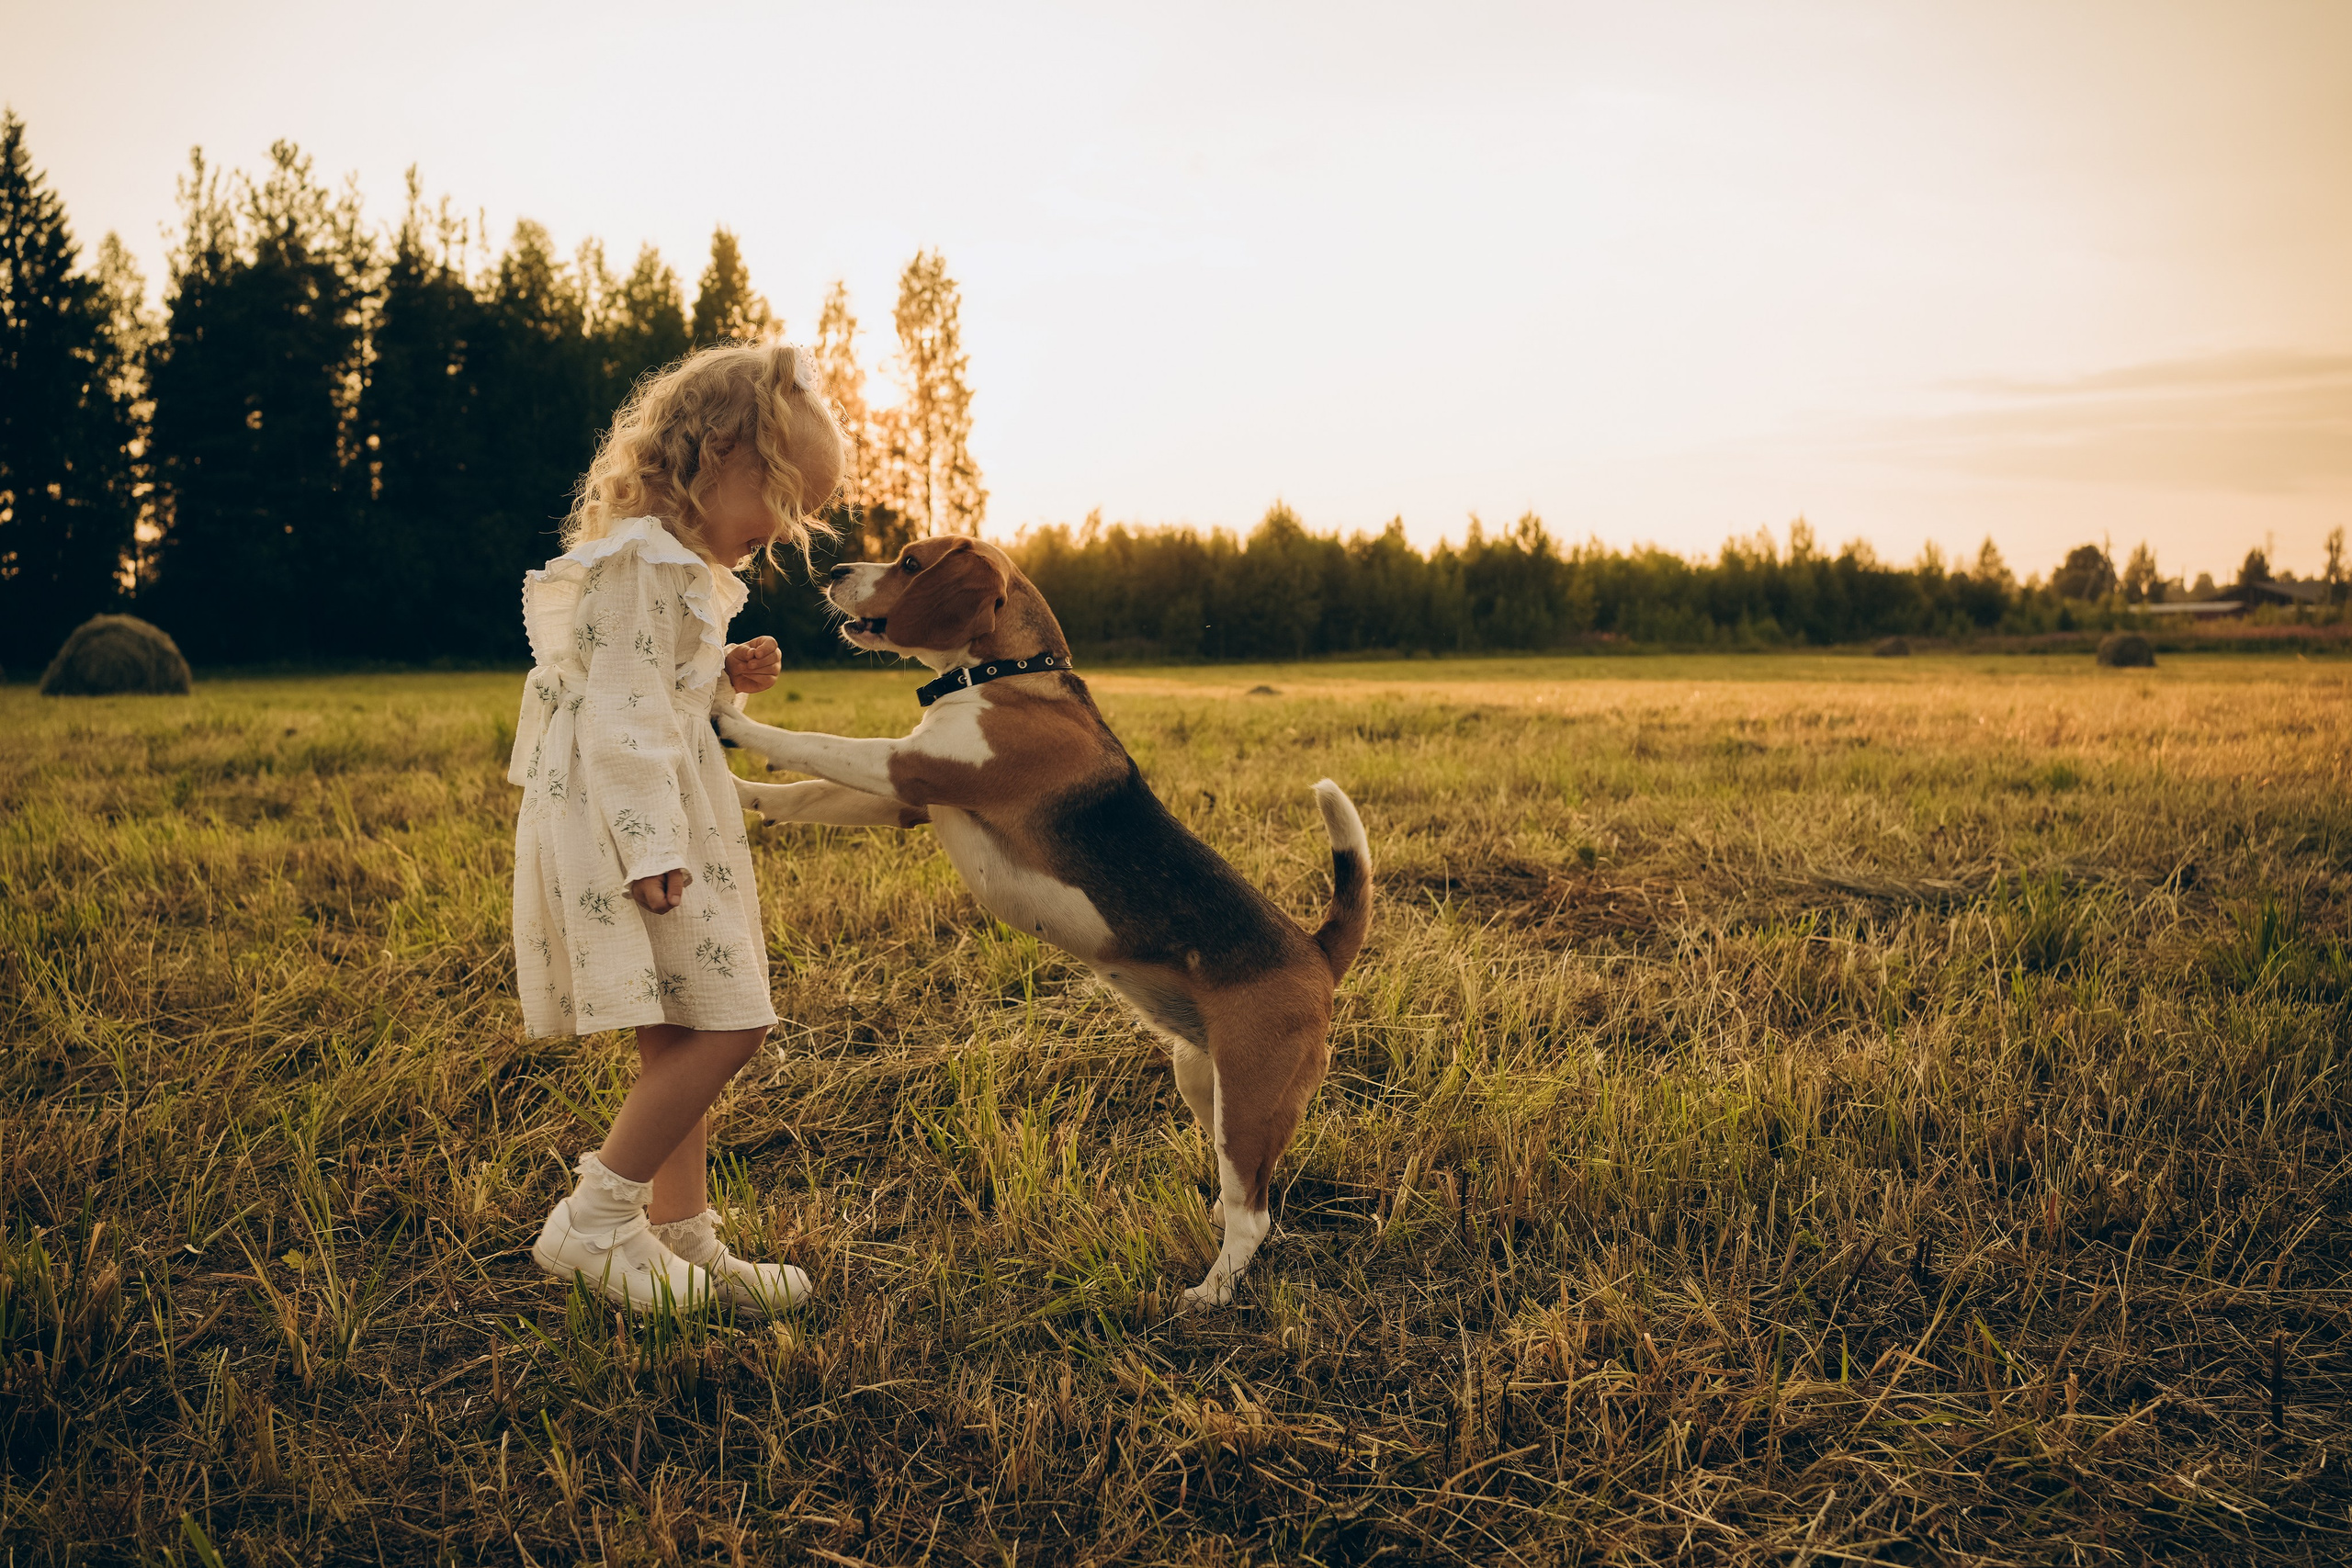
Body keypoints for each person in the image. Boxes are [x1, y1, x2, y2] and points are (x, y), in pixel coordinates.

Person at [506, 341, 839, 1314]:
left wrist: (721, 675)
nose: (785, 528)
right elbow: (619, 719)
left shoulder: (668, 569)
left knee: (683, 1027)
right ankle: (598, 1219)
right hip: (633, 825)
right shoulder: (636, 565)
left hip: (647, 809)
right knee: (732, 1020)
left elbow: (653, 691)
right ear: (716, 455)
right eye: (783, 498)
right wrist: (651, 847)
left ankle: (680, 1234)